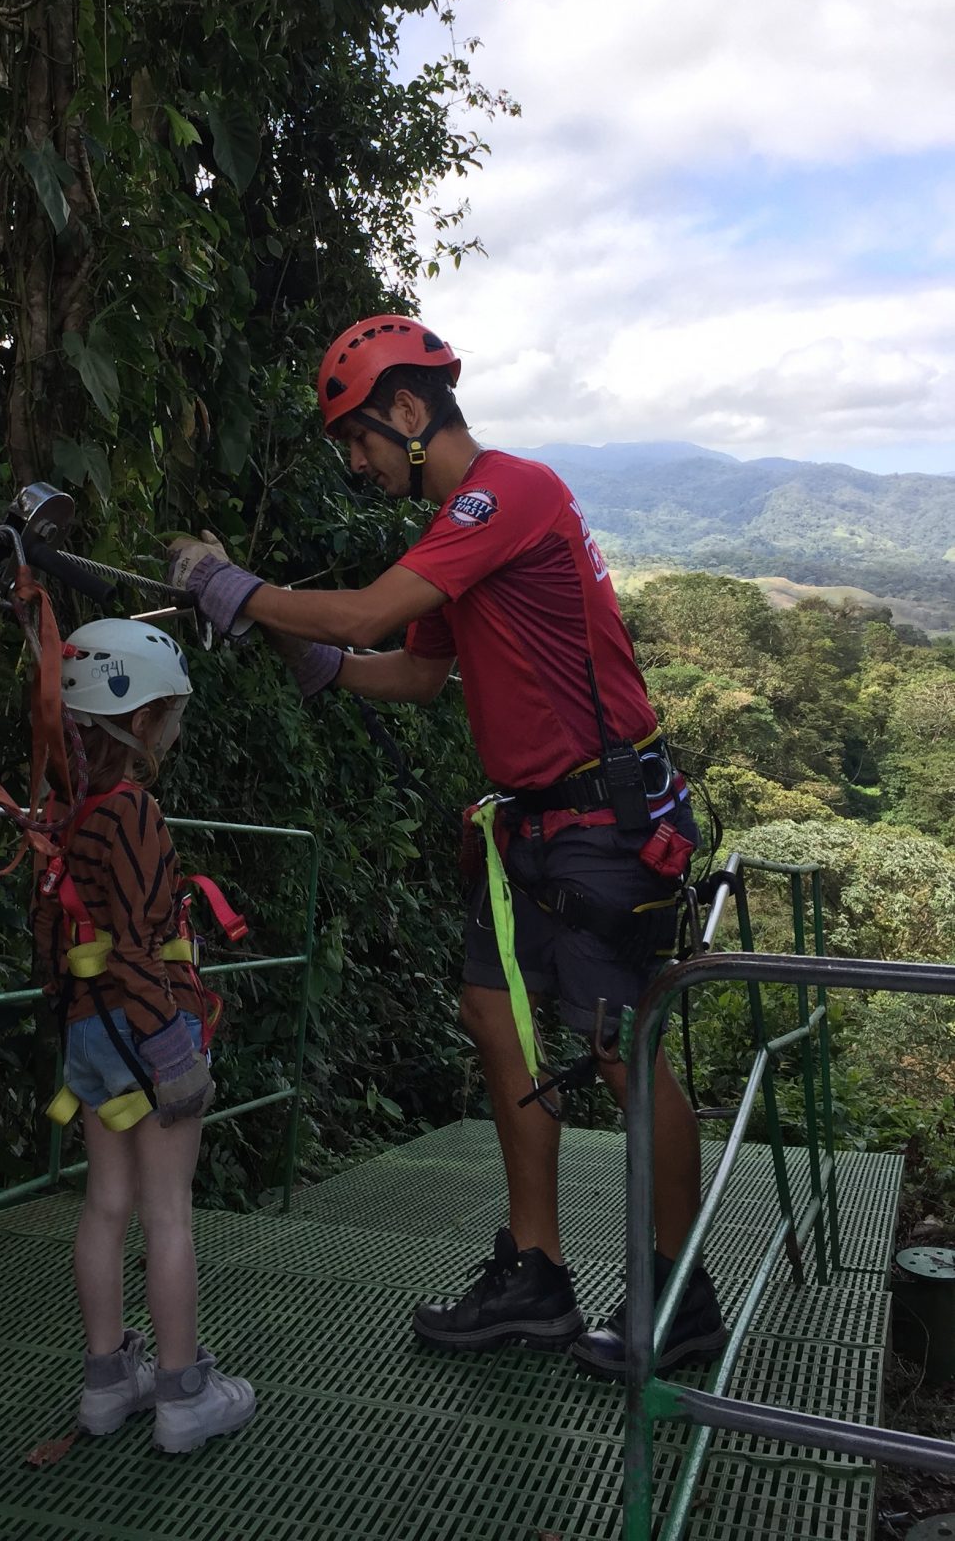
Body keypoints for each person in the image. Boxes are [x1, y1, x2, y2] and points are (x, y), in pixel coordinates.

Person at [168, 314, 727, 1378]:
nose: (356, 460)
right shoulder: (457, 536)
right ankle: (537, 1272)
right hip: (534, 820)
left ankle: (679, 1287)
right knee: (489, 1013)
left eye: (359, 437)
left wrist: (238, 589)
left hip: (603, 820)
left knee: (620, 1046)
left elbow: (377, 613)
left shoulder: (508, 491)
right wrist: (316, 662)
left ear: (411, 411)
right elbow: (416, 669)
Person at [32, 618, 256, 1452]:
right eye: (165, 713)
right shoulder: (131, 811)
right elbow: (135, 946)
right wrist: (171, 1048)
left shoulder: (67, 812)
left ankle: (104, 1384)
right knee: (168, 1214)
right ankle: (182, 1393)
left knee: (105, 1204)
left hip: (90, 1033)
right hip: (145, 1026)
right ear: (139, 718)